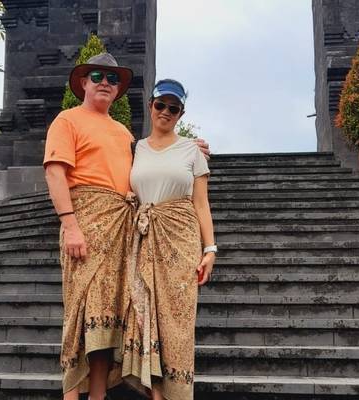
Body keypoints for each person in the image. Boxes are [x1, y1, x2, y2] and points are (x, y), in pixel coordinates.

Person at [44, 52, 137, 400]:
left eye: (113, 79)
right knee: (80, 316)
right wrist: (69, 224)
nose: (105, 83)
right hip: (84, 222)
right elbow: (55, 172)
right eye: (98, 75)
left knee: (107, 322)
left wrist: (190, 150)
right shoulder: (67, 120)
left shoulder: (123, 131)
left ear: (118, 90)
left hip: (119, 228)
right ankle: (71, 395)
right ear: (83, 82)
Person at [121, 79, 216, 400]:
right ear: (150, 106)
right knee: (143, 317)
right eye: (160, 105)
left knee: (175, 324)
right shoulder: (135, 149)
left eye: (173, 108)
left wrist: (210, 249)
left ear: (181, 113)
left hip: (181, 241)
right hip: (143, 240)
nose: (166, 112)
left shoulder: (192, 150)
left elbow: (201, 203)